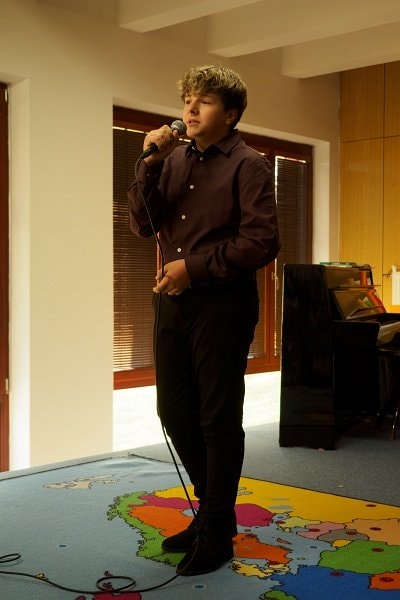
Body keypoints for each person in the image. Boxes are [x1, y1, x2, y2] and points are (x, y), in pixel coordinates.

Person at [127, 64, 280, 577]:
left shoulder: (249, 164)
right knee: (173, 412)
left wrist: (192, 268)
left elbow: (262, 242)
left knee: (217, 418)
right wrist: (148, 166)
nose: (191, 109)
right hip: (172, 302)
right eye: (188, 99)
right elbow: (143, 224)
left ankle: (214, 530)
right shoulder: (171, 160)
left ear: (230, 114)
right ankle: (216, 513)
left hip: (222, 304)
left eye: (205, 101)